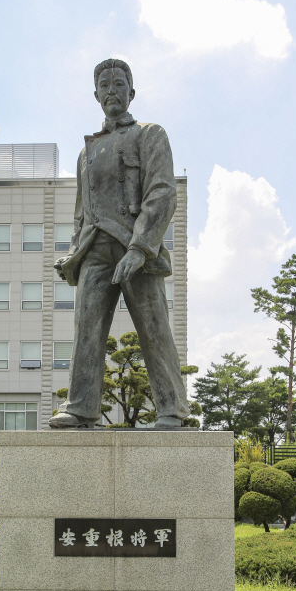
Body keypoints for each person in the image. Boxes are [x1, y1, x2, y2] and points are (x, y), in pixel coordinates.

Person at [49, 58, 189, 429]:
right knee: (86, 328)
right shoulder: (86, 152)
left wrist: (142, 247)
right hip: (95, 248)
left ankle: (173, 408)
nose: (111, 90)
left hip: (134, 247)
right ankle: (80, 406)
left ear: (131, 91)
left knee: (154, 326)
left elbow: (161, 192)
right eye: (104, 85)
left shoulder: (150, 134)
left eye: (118, 83)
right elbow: (83, 212)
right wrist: (74, 254)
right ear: (95, 95)